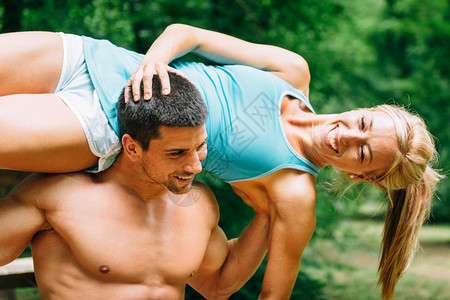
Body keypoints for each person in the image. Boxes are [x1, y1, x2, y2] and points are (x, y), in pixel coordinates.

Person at [0, 25, 441, 300]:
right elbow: (189, 34)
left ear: (359, 175)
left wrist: (265, 219)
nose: (346, 135)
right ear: (368, 109)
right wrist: (153, 62)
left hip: (110, 123)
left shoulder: (293, 195)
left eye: (361, 153)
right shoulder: (293, 71)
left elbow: (265, 293)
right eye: (364, 123)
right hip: (98, 58)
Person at [0, 73, 270, 299]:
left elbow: (218, 285)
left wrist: (267, 215)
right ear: (132, 147)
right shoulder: (56, 196)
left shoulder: (199, 204)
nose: (195, 166)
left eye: (199, 147)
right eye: (176, 153)